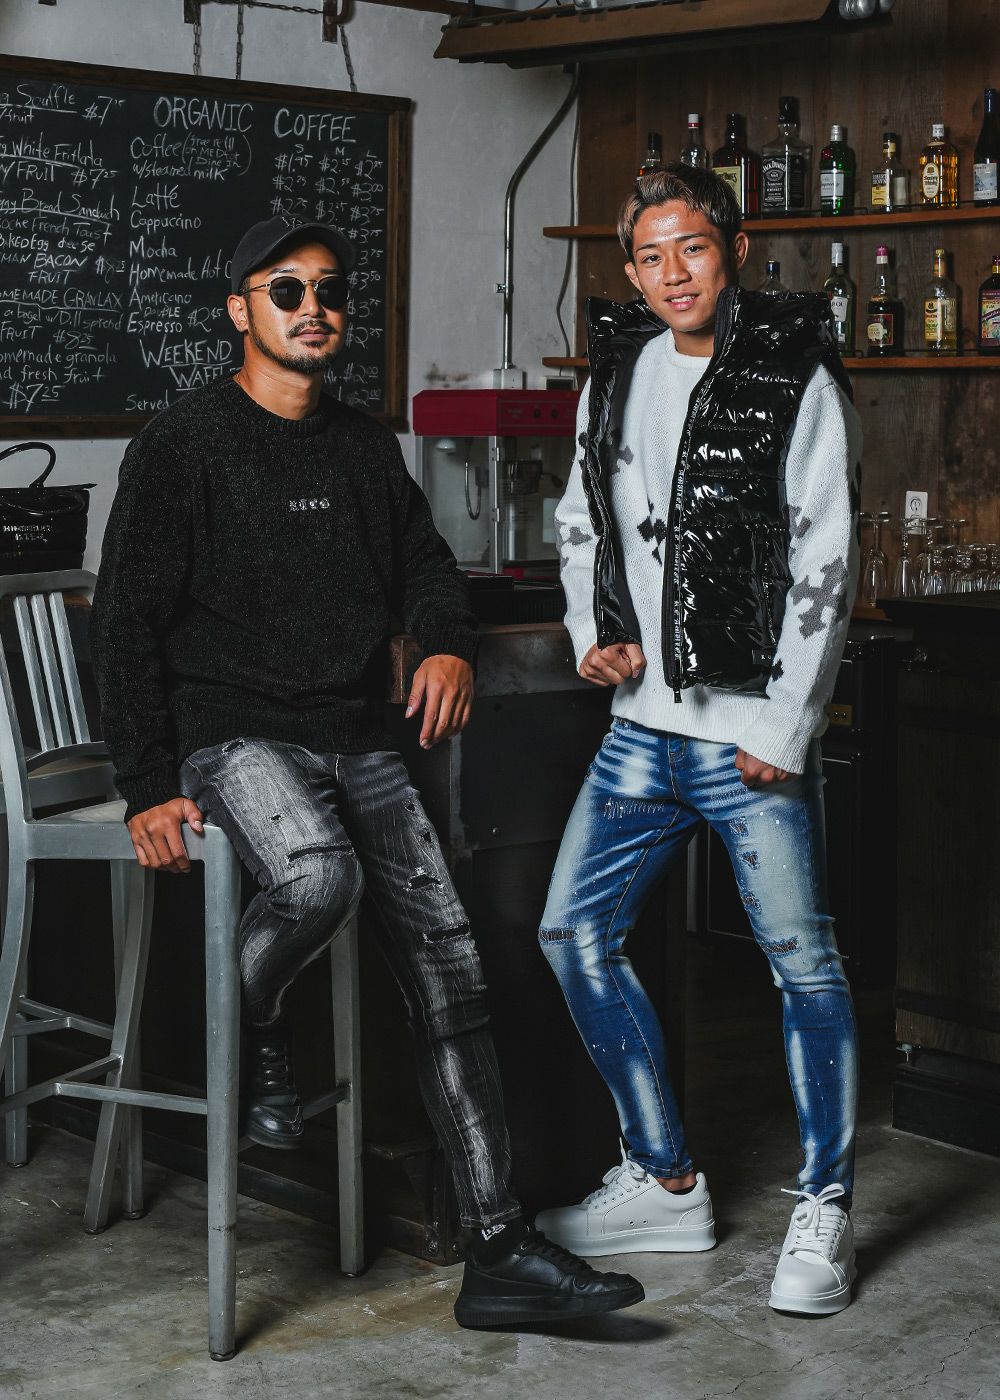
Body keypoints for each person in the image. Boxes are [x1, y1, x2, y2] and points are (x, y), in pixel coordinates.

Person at [90, 214, 644, 1329]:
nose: (314, 308)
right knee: (315, 876)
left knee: (454, 972)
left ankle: (499, 1250)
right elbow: (124, 626)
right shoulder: (182, 444)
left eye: (330, 290)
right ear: (239, 310)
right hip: (234, 737)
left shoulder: (361, 447)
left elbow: (428, 570)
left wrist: (445, 643)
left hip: (359, 737)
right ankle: (251, 1029)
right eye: (286, 290)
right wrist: (147, 781)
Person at [534, 166, 862, 1318]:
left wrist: (785, 720)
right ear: (628, 269)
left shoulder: (792, 373)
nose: (673, 273)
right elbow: (581, 518)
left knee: (802, 965)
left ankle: (825, 1206)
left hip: (745, 737)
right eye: (650, 255)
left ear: (733, 251)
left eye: (694, 249)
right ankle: (666, 1176)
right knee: (572, 932)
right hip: (640, 730)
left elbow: (827, 549)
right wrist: (595, 635)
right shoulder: (616, 371)